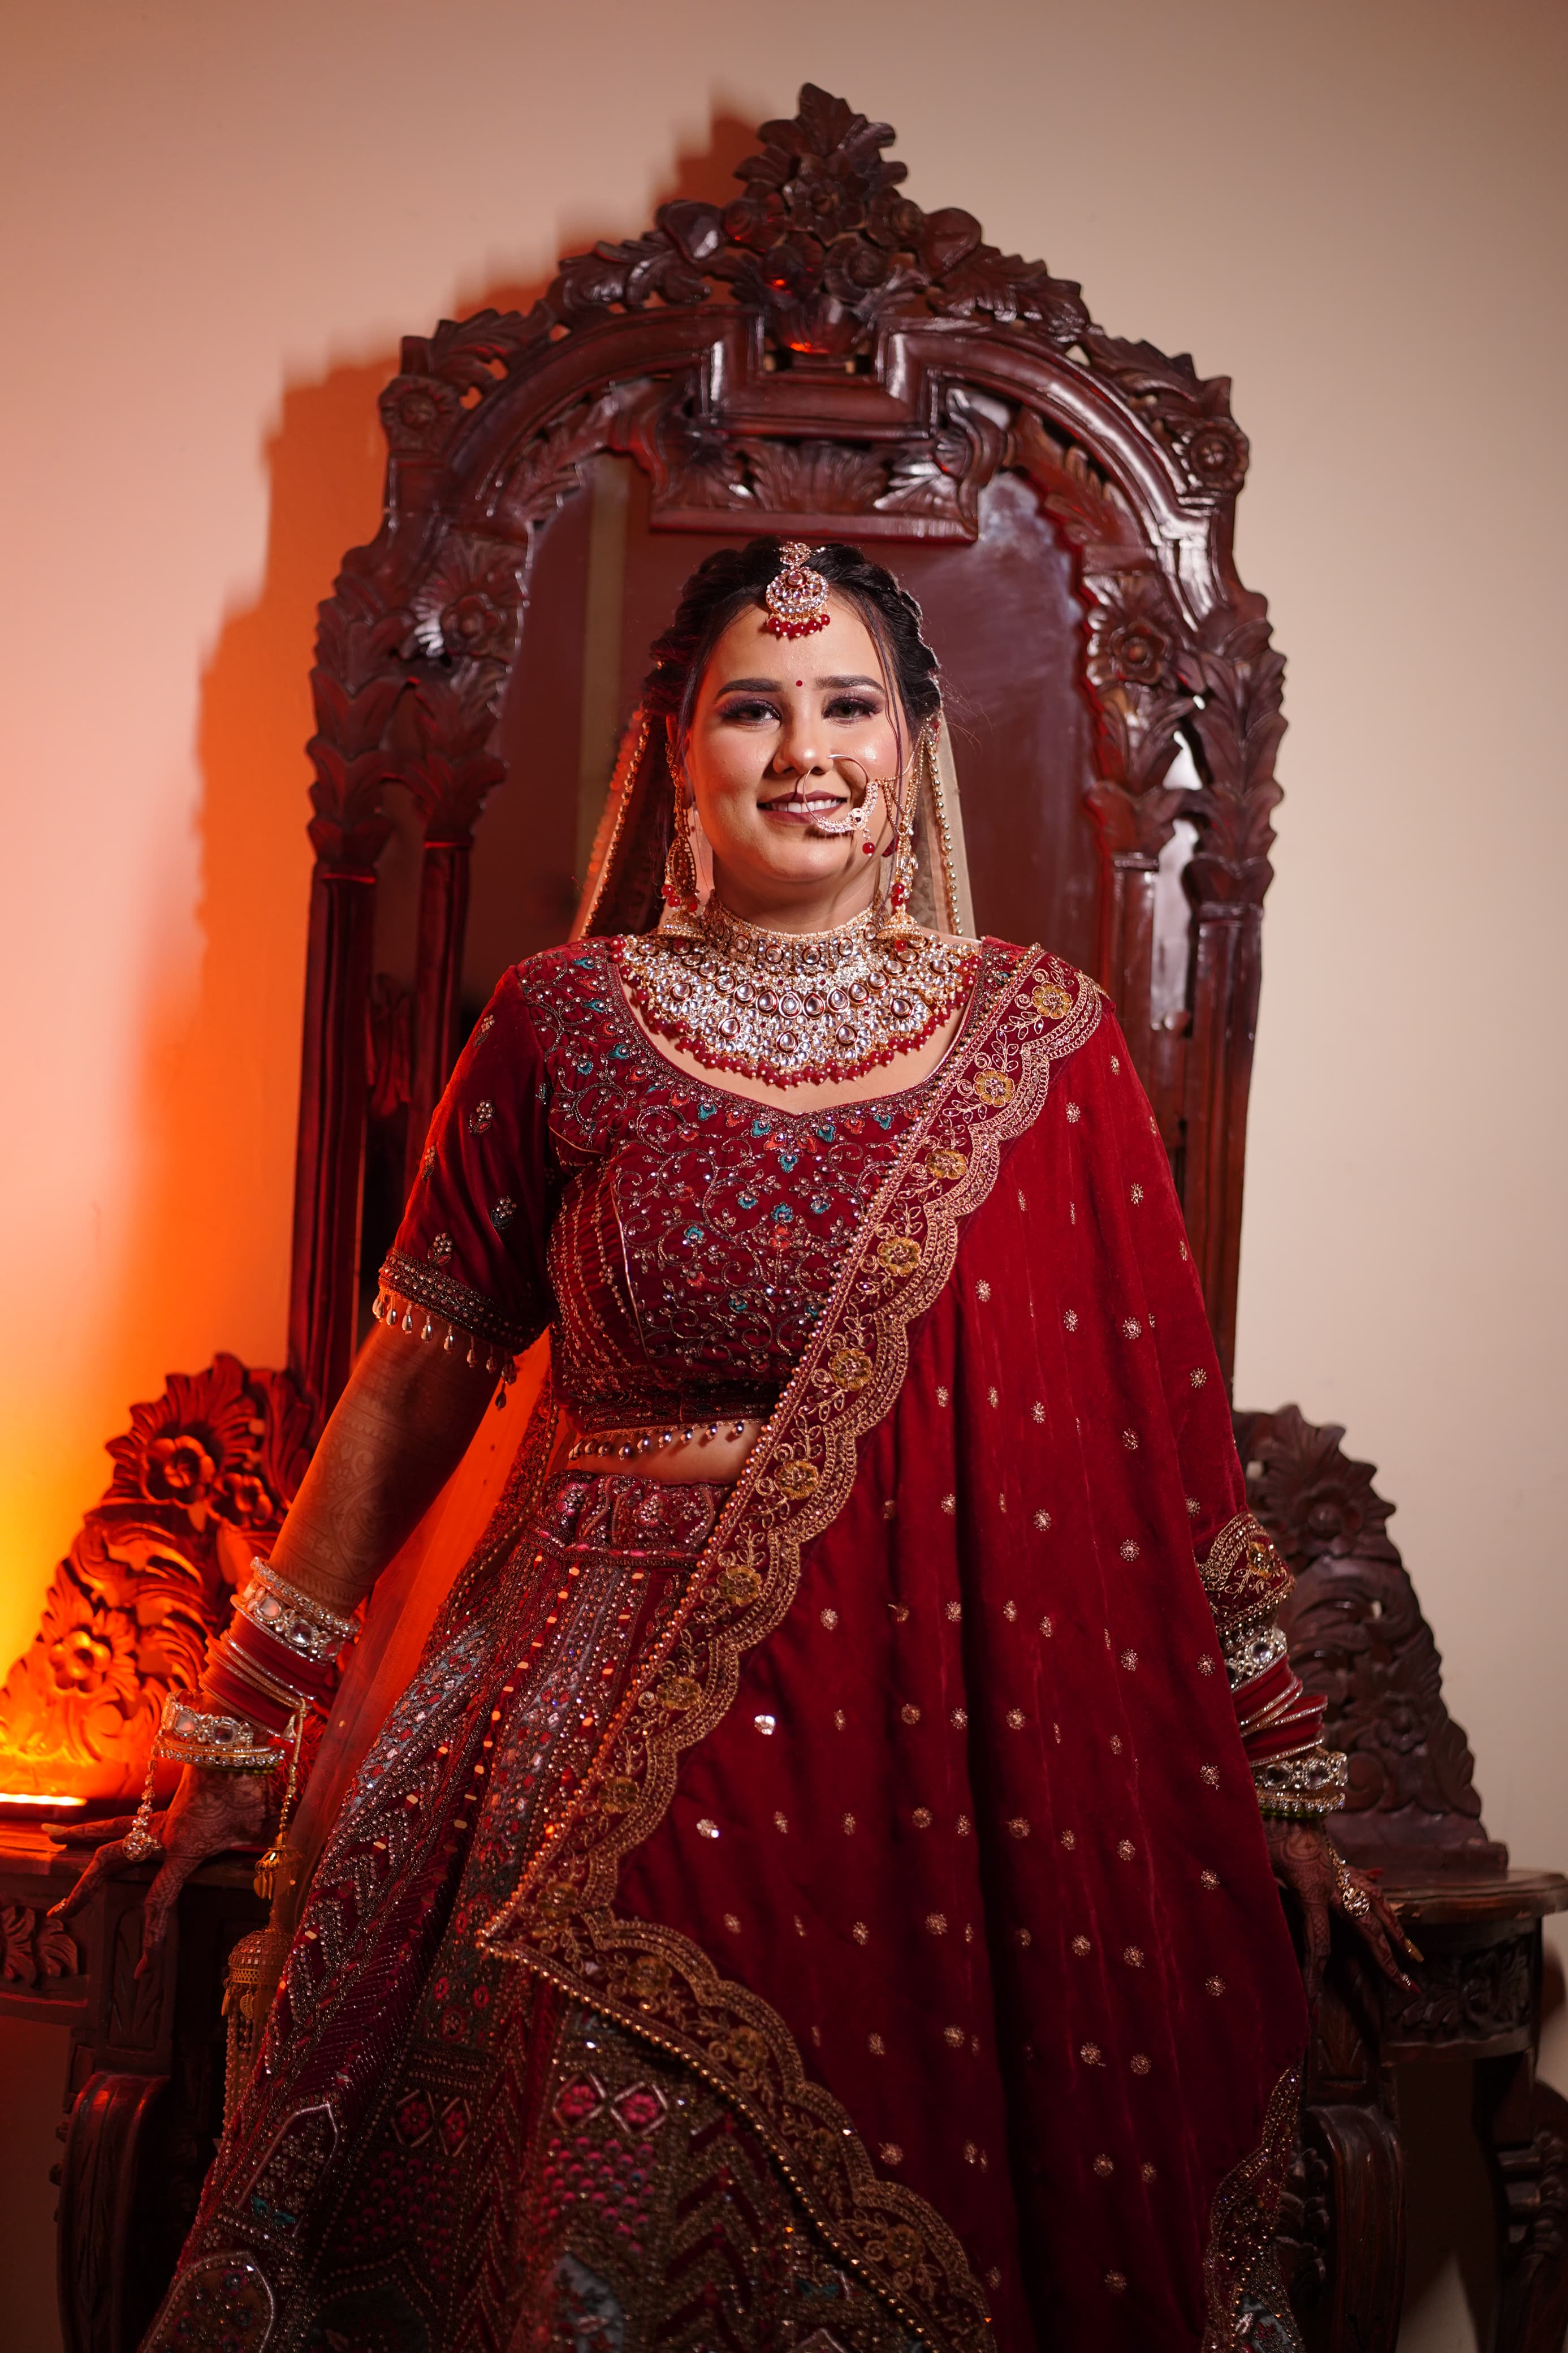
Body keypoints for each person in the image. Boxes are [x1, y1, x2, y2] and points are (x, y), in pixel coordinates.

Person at [55, 539, 1414, 2353]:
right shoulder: (561, 1024)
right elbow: (415, 1381)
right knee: (597, 2226)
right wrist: (243, 1711)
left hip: (945, 1733)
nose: (807, 753)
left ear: (913, 743)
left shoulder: (1043, 1048)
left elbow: (1165, 1452)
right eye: (753, 711)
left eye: (851, 705)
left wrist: (1281, 1773)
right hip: (597, 1718)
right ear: (676, 751)